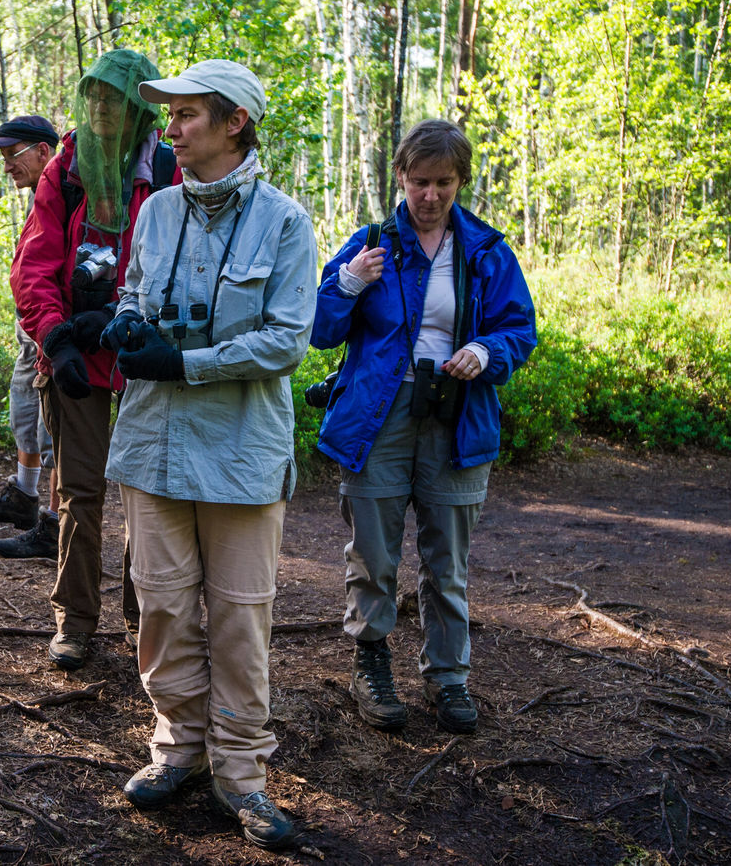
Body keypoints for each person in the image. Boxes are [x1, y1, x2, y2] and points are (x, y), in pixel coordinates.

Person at [102, 60, 315, 851]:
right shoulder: (155, 211)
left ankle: (242, 777)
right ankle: (176, 751)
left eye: (187, 114)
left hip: (241, 452)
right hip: (155, 444)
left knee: (239, 617)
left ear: (234, 123)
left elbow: (288, 340)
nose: (171, 128)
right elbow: (135, 291)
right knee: (160, 603)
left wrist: (185, 364)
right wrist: (127, 325)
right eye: (170, 116)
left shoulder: (286, 222)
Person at [312, 118, 536, 736]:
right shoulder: (372, 242)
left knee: (447, 560)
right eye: (419, 183)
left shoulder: (487, 252)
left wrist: (486, 353)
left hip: (457, 417)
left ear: (461, 180)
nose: (430, 196)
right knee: (374, 553)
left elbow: (519, 329)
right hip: (377, 418)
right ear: (401, 179)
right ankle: (371, 664)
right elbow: (321, 329)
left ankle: (448, 676)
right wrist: (350, 282)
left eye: (443, 183)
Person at [10, 49, 179, 670]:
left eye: (115, 97)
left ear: (138, 105)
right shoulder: (67, 167)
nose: (102, 107)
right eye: (95, 95)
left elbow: (179, 265)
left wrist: (125, 321)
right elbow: (35, 261)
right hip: (73, 360)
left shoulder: (167, 168)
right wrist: (54, 338)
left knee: (142, 494)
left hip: (139, 357)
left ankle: (147, 625)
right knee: (79, 494)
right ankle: (75, 622)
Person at [0, 116, 64, 559]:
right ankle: (24, 499)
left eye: (13, 154)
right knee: (24, 415)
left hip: (55, 334)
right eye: (3, 157)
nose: (7, 165)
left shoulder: (67, 189)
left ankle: (55, 525)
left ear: (43, 151)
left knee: (58, 434)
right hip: (31, 334)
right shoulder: (38, 195)